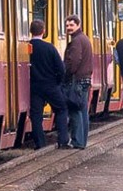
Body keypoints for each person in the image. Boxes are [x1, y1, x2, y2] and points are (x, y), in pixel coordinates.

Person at [28, 20, 71, 150]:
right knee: (61, 109)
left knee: (36, 115)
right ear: (43, 31)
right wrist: (58, 82)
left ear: (31, 31)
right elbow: (61, 68)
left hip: (35, 86)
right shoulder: (49, 47)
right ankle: (63, 140)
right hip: (51, 85)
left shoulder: (27, 47)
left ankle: (39, 144)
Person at [63, 15, 93, 149]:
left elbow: (74, 61)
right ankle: (82, 140)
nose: (69, 28)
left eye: (71, 25)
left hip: (77, 79)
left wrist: (68, 74)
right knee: (83, 109)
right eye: (67, 25)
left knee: (75, 109)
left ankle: (78, 141)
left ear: (78, 25)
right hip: (85, 78)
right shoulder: (84, 38)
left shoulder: (76, 41)